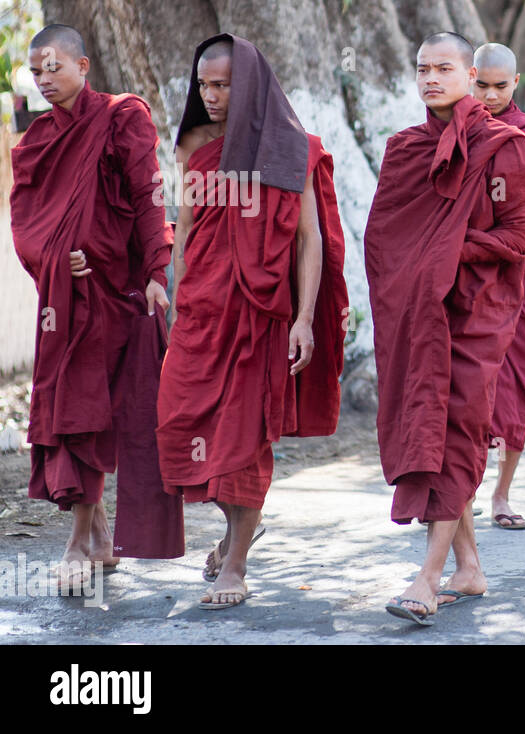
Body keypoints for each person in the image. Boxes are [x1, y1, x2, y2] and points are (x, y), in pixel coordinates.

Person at [156, 34, 348, 610]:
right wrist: (178, 298)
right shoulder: (194, 147)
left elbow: (309, 240)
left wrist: (305, 320)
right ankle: (234, 529)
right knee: (178, 423)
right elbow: (185, 232)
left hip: (263, 316)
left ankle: (235, 562)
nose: (211, 96)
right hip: (202, 314)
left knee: (243, 440)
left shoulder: (295, 148)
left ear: (251, 87)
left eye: (223, 85)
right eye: (204, 86)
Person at [366, 32, 525, 624]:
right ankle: (468, 567)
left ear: (470, 75)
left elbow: (519, 238)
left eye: (444, 68)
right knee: (433, 432)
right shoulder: (405, 149)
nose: (431, 78)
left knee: (457, 431)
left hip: (476, 313)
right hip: (418, 315)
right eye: (422, 69)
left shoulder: (505, 147)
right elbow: (385, 240)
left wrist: (448, 250)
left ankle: (427, 577)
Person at [11, 24, 180, 588]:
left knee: (94, 409)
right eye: (35, 72)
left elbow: (147, 191)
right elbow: (27, 223)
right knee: (70, 407)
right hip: (63, 299)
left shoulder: (122, 115)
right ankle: (96, 537)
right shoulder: (36, 142)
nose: (44, 79)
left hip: (117, 291)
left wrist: (157, 270)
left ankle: (82, 540)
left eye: (53, 66)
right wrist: (58, 258)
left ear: (84, 65)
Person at [472, 42, 525, 530]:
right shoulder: (451, 130)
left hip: (515, 271)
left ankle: (502, 492)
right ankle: (453, 493)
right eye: (480, 85)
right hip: (459, 273)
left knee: (516, 380)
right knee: (459, 383)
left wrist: (488, 234)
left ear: (516, 82)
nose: (488, 96)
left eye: (499, 86)